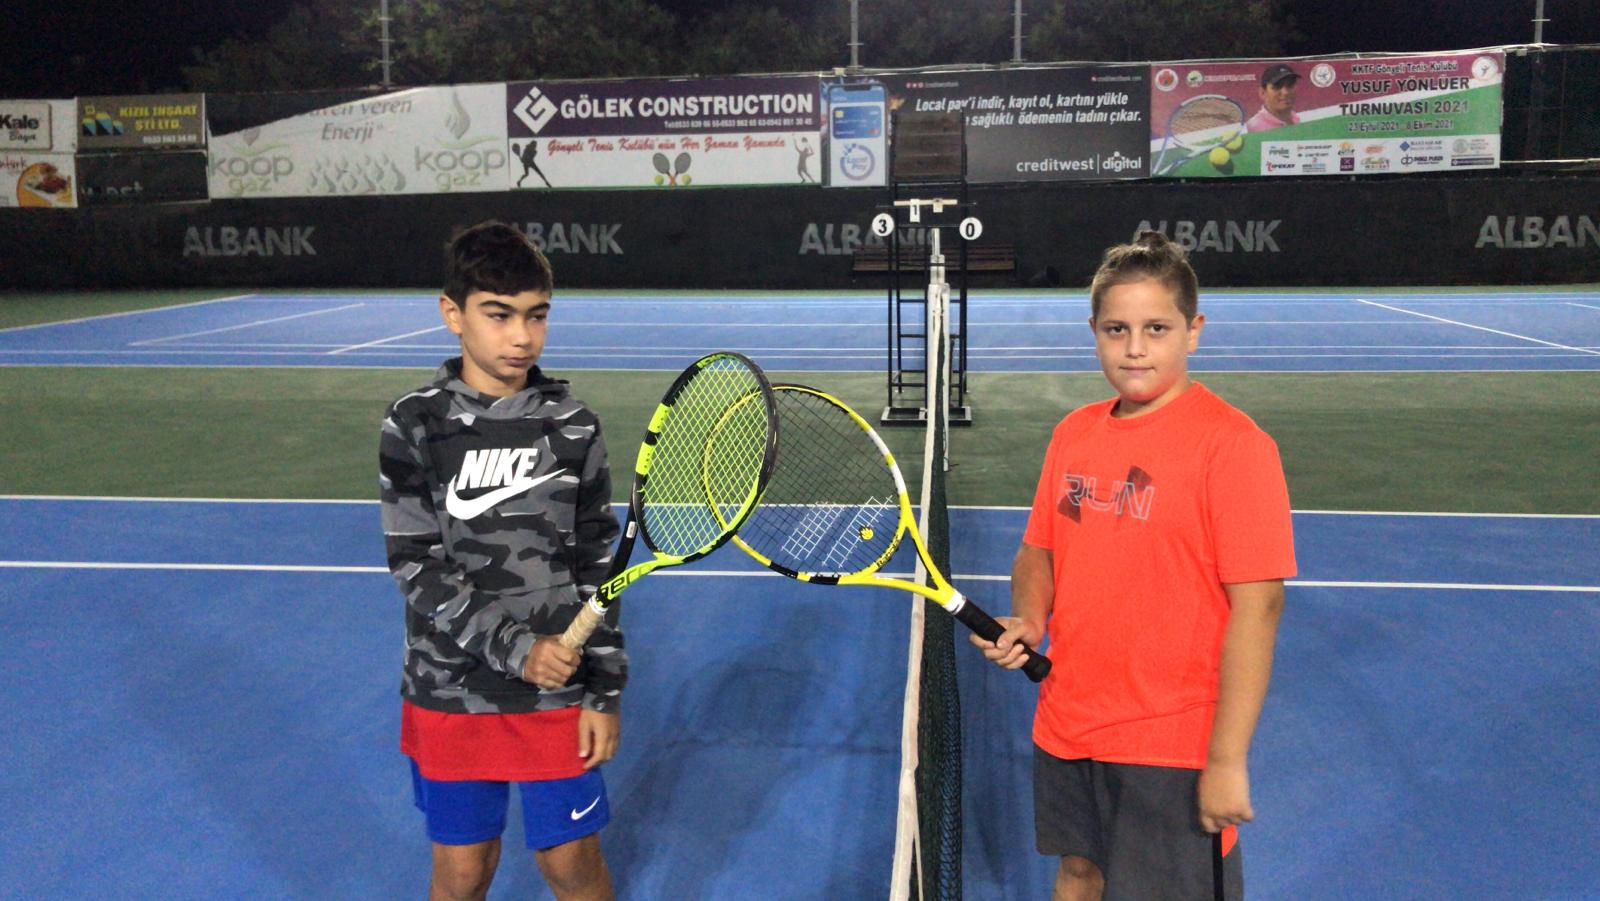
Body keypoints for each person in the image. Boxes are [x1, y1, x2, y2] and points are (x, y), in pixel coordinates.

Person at [972, 231, 1295, 900]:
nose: (1135, 347)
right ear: (1094, 332)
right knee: (1080, 872)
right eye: (1117, 329)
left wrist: (1226, 758)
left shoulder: (1234, 446)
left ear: (1193, 332)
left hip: (1171, 738)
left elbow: (1259, 607)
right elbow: (1040, 549)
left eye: (1157, 328)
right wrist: (1030, 617)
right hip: (1067, 718)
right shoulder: (1074, 433)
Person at [380, 220, 623, 901]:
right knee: (463, 873)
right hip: (450, 687)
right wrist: (517, 649)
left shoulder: (574, 426)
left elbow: (598, 568)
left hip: (555, 692)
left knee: (571, 865)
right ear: (452, 313)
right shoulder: (414, 424)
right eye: (499, 315)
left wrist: (604, 689)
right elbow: (415, 563)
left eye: (537, 315)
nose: (522, 336)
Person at [1247, 63, 1301, 133]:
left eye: (1290, 85)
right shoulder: (1254, 128)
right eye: (1277, 87)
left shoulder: (1302, 120)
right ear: (1262, 93)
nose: (1285, 92)